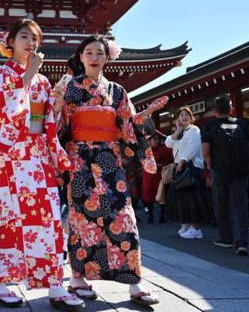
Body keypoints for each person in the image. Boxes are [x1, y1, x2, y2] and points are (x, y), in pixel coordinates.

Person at [57, 34, 168, 307]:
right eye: (89, 53)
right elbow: (58, 126)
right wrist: (57, 104)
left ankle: (134, 281)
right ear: (81, 57)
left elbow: (127, 126)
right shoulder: (69, 88)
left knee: (124, 218)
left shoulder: (117, 91)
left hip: (110, 161)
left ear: (108, 58)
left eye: (99, 53)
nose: (94, 58)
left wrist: (145, 115)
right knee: (82, 221)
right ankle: (78, 278)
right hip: (80, 160)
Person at [0, 18, 82, 310]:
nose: (31, 43)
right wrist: (27, 76)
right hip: (13, 156)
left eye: (35, 39)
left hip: (37, 156)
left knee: (49, 219)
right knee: (14, 221)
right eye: (25, 37)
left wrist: (55, 151)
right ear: (10, 41)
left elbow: (44, 121)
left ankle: (54, 285)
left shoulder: (41, 81)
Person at [202, 97, 249, 256]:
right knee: (240, 205)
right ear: (231, 109)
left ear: (214, 111)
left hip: (219, 169)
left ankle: (225, 238)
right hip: (240, 170)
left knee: (221, 204)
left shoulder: (210, 126)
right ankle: (241, 242)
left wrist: (211, 165)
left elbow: (205, 151)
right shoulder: (241, 124)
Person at [165, 106, 209, 239]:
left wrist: (183, 161)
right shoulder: (180, 132)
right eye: (181, 115)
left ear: (191, 118)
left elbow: (193, 148)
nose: (184, 117)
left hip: (192, 167)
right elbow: (168, 143)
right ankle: (187, 224)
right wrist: (178, 129)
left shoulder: (194, 130)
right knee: (183, 199)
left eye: (187, 115)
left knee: (194, 198)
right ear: (177, 118)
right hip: (181, 168)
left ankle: (196, 228)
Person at [141, 132, 173, 224]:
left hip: (160, 175)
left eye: (156, 139)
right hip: (148, 176)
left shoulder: (164, 149)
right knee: (148, 196)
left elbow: (170, 161)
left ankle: (162, 216)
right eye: (153, 139)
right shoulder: (145, 150)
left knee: (162, 196)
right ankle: (150, 216)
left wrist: (162, 165)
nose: (155, 141)